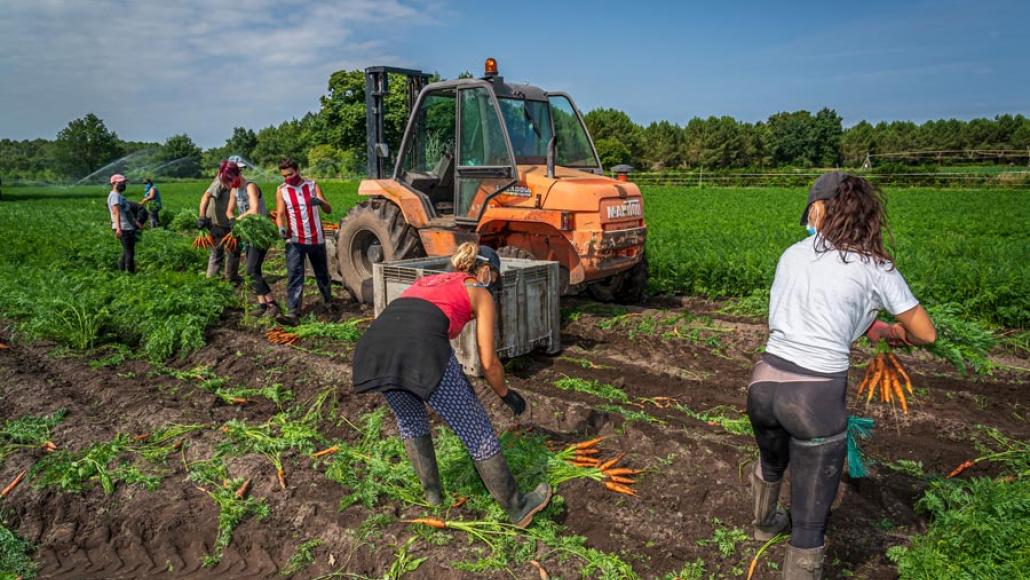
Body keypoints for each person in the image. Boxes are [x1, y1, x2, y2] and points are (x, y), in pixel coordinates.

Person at [747, 172, 936, 579]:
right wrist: (900, 331)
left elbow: (820, 309)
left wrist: (874, 328)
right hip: (812, 399)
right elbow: (926, 333)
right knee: (811, 526)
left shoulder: (792, 254)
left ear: (820, 210)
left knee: (772, 461)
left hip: (762, 385)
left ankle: (763, 526)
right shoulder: (875, 267)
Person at [352, 243, 550, 527]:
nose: (493, 285)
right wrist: (506, 394)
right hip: (419, 350)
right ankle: (517, 507)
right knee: (476, 428)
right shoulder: (479, 291)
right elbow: (488, 361)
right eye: (494, 277)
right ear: (484, 271)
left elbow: (416, 321)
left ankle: (433, 498)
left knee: (410, 420)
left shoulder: (429, 281)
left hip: (375, 349)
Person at [274, 157, 334, 325]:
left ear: (298, 170)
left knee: (321, 273)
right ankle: (293, 312)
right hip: (295, 240)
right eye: (284, 176)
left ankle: (328, 302)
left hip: (316, 238)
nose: (287, 178)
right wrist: (280, 227)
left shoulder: (312, 185)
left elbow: (329, 210)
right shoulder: (282, 190)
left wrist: (321, 203)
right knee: (295, 275)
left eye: (290, 174)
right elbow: (280, 213)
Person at [222, 160, 282, 317]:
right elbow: (229, 210)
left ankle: (272, 305)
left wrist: (238, 219)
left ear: (237, 174)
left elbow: (254, 210)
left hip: (260, 233)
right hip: (247, 234)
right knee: (254, 270)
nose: (229, 184)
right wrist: (231, 219)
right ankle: (262, 304)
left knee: (250, 270)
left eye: (229, 180)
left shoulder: (250, 187)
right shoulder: (235, 190)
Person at [198, 170, 242, 284]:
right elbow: (205, 196)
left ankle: (213, 278)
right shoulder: (221, 180)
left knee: (219, 250)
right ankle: (229, 278)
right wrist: (202, 217)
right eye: (239, 169)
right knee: (230, 249)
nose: (241, 171)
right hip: (217, 223)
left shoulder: (231, 179)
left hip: (224, 221)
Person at [107, 174, 143, 273]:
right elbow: (116, 212)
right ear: (113, 183)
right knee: (130, 251)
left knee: (128, 250)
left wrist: (135, 222)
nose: (123, 184)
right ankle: (130, 273)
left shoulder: (119, 196)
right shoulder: (114, 196)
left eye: (124, 182)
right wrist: (118, 228)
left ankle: (121, 269)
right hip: (123, 227)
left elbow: (127, 211)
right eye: (120, 183)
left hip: (128, 227)